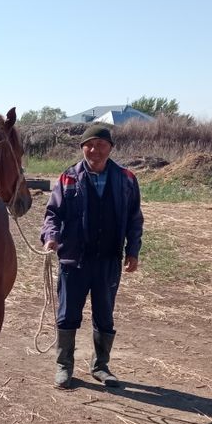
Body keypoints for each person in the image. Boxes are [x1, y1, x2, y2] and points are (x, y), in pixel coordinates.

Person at [40, 124, 144, 389]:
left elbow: (134, 218)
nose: (94, 150)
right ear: (82, 147)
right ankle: (64, 367)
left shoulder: (127, 179)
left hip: (108, 261)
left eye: (100, 144)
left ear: (110, 148)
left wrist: (133, 250)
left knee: (104, 315)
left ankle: (101, 366)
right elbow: (52, 213)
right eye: (89, 145)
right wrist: (51, 236)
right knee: (67, 315)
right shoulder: (68, 178)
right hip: (73, 261)